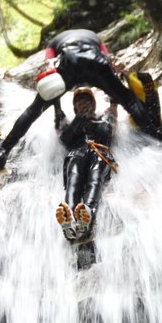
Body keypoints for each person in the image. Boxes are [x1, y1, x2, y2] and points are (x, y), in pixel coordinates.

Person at [0, 28, 158, 170]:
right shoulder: (94, 38)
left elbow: (51, 68)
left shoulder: (53, 43)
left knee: (33, 110)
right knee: (129, 101)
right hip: (96, 63)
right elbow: (109, 61)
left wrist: (57, 112)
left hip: (69, 65)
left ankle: (3, 151)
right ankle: (153, 136)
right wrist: (116, 97)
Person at [54, 88, 118, 240]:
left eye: (87, 101)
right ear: (75, 108)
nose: (83, 104)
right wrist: (76, 120)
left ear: (93, 104)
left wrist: (114, 95)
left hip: (99, 152)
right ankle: (69, 219)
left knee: (95, 180)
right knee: (73, 182)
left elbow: (109, 130)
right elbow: (64, 139)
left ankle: (87, 215)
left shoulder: (103, 118)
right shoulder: (70, 124)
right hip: (76, 153)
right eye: (79, 102)